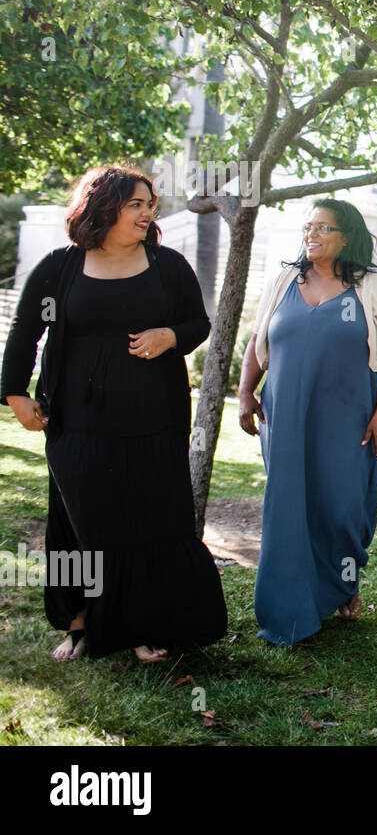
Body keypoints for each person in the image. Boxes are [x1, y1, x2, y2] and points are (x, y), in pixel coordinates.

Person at [1, 165, 227, 662]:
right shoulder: (61, 267)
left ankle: (144, 624)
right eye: (137, 205)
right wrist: (14, 392)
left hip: (154, 418)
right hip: (76, 419)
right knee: (79, 518)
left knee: (150, 517)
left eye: (151, 205)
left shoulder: (167, 267)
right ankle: (79, 624)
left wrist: (170, 336)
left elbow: (197, 322)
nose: (149, 213)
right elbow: (24, 331)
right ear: (104, 207)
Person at [238, 198, 377, 646]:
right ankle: (287, 612)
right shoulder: (283, 281)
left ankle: (342, 583)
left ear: (347, 236)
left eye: (323, 228)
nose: (311, 235)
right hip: (287, 413)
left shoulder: (374, 286)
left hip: (350, 416)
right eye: (308, 227)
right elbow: (258, 342)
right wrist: (244, 395)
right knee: (289, 506)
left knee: (342, 506)